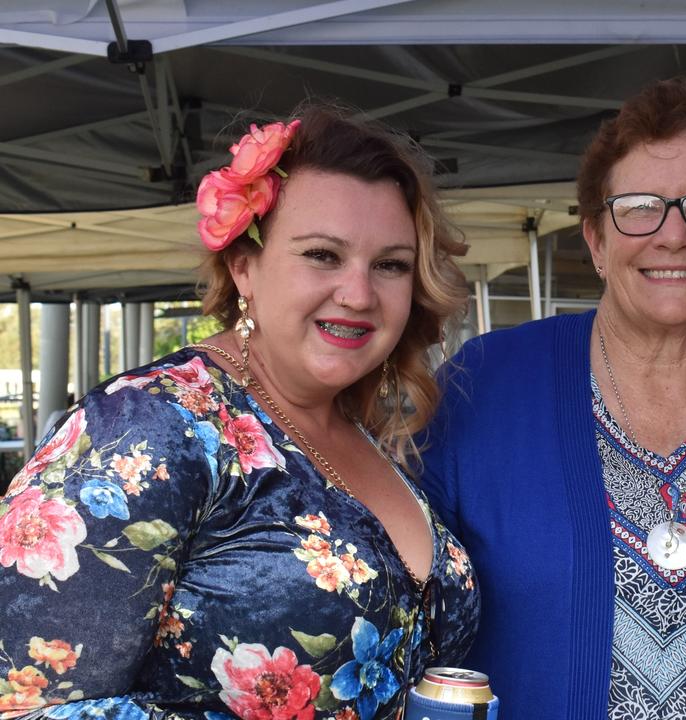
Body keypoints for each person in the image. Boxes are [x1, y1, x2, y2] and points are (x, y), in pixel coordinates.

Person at [0, 104, 478, 718]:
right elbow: (23, 703)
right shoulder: (148, 425)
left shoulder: (367, 434)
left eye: (390, 265)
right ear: (244, 266)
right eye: (322, 255)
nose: (359, 293)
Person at [419, 78, 686, 718]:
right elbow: (400, 617)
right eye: (640, 206)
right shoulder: (484, 389)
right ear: (595, 239)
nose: (673, 234)